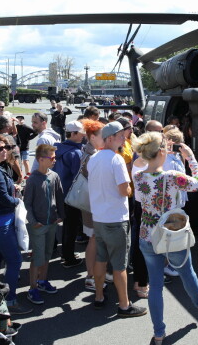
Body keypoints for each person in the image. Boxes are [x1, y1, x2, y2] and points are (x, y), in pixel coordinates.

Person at [133, 132, 198, 344]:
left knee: (156, 285)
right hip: (171, 233)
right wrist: (190, 158)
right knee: (186, 270)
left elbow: (142, 196)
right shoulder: (171, 177)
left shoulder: (138, 177)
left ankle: (159, 333)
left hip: (148, 235)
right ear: (161, 152)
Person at [87, 121, 146, 318]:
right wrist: (131, 188)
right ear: (110, 138)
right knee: (120, 265)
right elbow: (124, 190)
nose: (124, 138)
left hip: (100, 218)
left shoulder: (94, 158)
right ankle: (124, 305)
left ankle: (99, 296)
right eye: (121, 135)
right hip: (115, 219)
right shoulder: (116, 159)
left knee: (101, 259)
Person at [0, 134, 32, 315]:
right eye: (0, 148)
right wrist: (17, 201)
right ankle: (9, 301)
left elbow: (1, 194)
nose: (5, 151)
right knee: (15, 260)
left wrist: (13, 189)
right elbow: (4, 200)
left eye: (6, 147)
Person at [24, 144, 64, 305]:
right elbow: (27, 204)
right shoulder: (33, 179)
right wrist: (34, 222)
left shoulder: (54, 176)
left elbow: (59, 196)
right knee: (37, 257)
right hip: (38, 226)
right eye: (52, 158)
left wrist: (60, 215)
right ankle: (32, 288)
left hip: (52, 222)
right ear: (41, 159)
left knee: (47, 254)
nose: (54, 160)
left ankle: (42, 281)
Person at [78, 119, 107, 291]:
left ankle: (96, 273)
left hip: (94, 202)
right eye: (103, 135)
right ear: (92, 137)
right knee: (94, 239)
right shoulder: (91, 155)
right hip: (93, 204)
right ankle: (90, 276)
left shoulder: (92, 151)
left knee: (96, 239)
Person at [54, 121, 86, 268]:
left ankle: (66, 254)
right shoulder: (76, 153)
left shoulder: (59, 148)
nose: (84, 135)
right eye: (80, 133)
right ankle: (68, 257)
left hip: (61, 192)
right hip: (72, 195)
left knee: (67, 225)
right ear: (73, 134)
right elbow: (78, 177)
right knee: (71, 227)